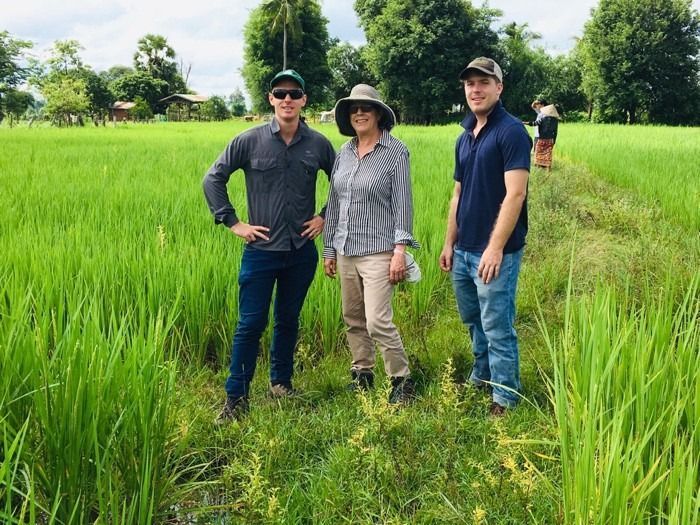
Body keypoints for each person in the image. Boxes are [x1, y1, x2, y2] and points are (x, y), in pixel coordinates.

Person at [203, 69, 335, 422]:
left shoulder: (319, 144)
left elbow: (344, 183)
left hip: (300, 252)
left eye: (295, 93)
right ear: (271, 99)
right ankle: (236, 398)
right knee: (250, 323)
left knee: (288, 319)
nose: (288, 99)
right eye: (281, 93)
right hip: (260, 252)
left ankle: (281, 383)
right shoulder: (249, 140)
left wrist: (325, 216)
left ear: (304, 99)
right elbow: (213, 178)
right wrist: (233, 222)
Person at [439, 57, 531, 416]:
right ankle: (482, 372)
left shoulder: (510, 132)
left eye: (483, 82)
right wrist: (450, 243)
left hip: (496, 252)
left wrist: (495, 248)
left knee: (497, 324)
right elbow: (458, 195)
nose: (475, 89)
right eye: (469, 84)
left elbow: (516, 194)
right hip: (463, 250)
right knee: (473, 319)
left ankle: (505, 395)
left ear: (499, 87)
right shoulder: (465, 137)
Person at [322, 84, 419, 404]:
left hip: (379, 250)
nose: (359, 113)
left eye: (366, 108)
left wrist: (400, 251)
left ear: (378, 113)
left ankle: (401, 380)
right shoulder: (344, 153)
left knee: (377, 319)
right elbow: (334, 201)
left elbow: (403, 204)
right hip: (346, 248)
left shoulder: (395, 151)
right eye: (354, 109)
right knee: (353, 317)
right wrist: (329, 248)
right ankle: (362, 373)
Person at [532, 104, 559, 170]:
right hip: (550, 139)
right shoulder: (555, 120)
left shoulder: (543, 119)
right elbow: (555, 132)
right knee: (548, 153)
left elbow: (534, 123)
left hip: (542, 138)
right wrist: (554, 141)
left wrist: (525, 123)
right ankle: (548, 168)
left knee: (538, 151)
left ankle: (538, 165)